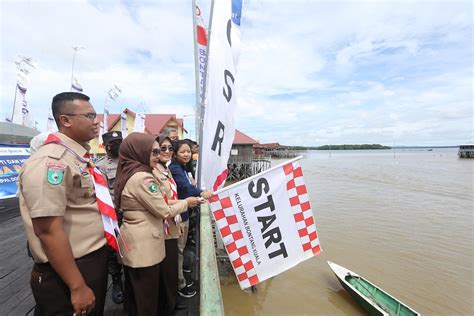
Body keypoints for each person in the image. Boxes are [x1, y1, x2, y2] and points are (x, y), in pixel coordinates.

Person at [19, 92, 108, 315]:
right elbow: (48, 230)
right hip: (69, 272)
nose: (95, 121)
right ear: (65, 120)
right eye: (89, 115)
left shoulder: (76, 158)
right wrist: (77, 286)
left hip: (88, 262)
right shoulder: (51, 162)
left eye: (95, 115)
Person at [114, 132, 199, 316]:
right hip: (143, 246)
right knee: (145, 297)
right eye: (154, 152)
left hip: (137, 242)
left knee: (137, 295)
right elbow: (163, 210)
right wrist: (187, 202)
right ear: (139, 152)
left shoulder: (131, 172)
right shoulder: (142, 178)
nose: (157, 155)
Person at [169, 140, 213, 299]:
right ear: (175, 154)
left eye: (188, 151)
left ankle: (180, 277)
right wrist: (202, 192)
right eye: (182, 152)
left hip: (184, 213)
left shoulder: (183, 167)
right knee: (178, 250)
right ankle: (179, 284)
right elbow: (185, 188)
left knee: (181, 248)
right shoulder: (174, 168)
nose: (186, 154)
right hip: (179, 214)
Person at [153, 135, 192, 314]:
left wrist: (178, 221)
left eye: (169, 148)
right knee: (169, 263)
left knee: (173, 261)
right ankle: (169, 300)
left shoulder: (166, 170)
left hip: (173, 222)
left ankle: (171, 299)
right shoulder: (151, 173)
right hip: (163, 226)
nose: (167, 151)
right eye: (162, 149)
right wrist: (192, 201)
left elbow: (172, 197)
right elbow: (163, 206)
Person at [95, 131, 124, 304]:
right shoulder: (101, 166)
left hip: (129, 212)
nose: (118, 145)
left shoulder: (129, 161)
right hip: (113, 215)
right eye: (114, 142)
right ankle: (117, 282)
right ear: (107, 146)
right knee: (113, 251)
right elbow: (102, 193)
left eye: (120, 141)